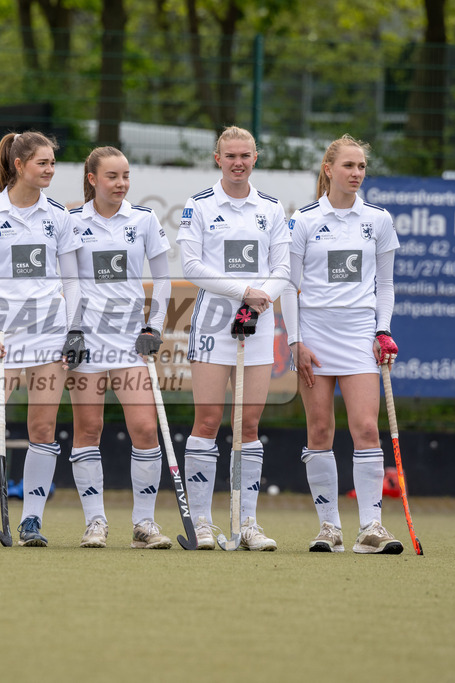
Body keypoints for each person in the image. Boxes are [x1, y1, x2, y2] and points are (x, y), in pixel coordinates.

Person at [0, 131, 82, 548]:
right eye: (42, 163)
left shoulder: (59, 215)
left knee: (42, 427)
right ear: (20, 165)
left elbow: (73, 281)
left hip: (49, 331)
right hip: (1, 335)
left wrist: (73, 329)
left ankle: (31, 523)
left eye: (53, 164)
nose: (50, 170)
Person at [280, 134, 402, 554]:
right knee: (319, 430)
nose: (356, 173)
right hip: (313, 334)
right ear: (329, 169)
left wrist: (381, 330)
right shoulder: (304, 219)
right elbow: (289, 287)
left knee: (367, 428)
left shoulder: (378, 220)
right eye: (348, 166)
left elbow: (384, 284)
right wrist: (295, 341)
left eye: (361, 167)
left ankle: (371, 527)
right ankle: (328, 527)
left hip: (358, 337)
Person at [177, 126, 290, 551]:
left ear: (255, 158)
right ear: (217, 158)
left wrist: (257, 302)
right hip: (213, 325)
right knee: (207, 420)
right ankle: (203, 523)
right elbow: (191, 266)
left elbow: (282, 269)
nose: (238, 162)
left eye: (245, 155)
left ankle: (248, 522)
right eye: (230, 156)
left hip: (257, 324)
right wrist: (243, 293)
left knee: (249, 424)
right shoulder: (200, 206)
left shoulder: (272, 208)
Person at [66, 146, 173, 549]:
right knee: (88, 429)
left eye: (126, 175)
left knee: (145, 429)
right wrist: (72, 330)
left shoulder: (143, 219)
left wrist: (154, 326)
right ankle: (95, 522)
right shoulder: (71, 220)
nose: (121, 183)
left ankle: (143, 524)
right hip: (86, 340)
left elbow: (162, 278)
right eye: (112, 176)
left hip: (131, 343)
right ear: (93, 179)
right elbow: (68, 279)